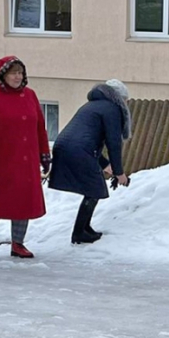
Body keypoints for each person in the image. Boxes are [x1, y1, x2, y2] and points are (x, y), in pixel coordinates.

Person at [0, 56, 50, 259]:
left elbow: (39, 127)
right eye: (13, 73)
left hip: (25, 159)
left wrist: (44, 153)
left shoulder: (30, 95)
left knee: (22, 201)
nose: (17, 77)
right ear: (2, 75)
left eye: (20, 73)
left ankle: (18, 243)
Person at [50, 79, 132, 244]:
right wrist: (119, 173)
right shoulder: (112, 108)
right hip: (78, 150)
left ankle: (85, 229)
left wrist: (105, 165)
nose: (126, 103)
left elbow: (87, 140)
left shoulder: (92, 105)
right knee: (95, 189)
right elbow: (113, 143)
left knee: (93, 189)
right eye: (125, 100)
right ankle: (79, 232)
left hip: (65, 146)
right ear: (118, 97)